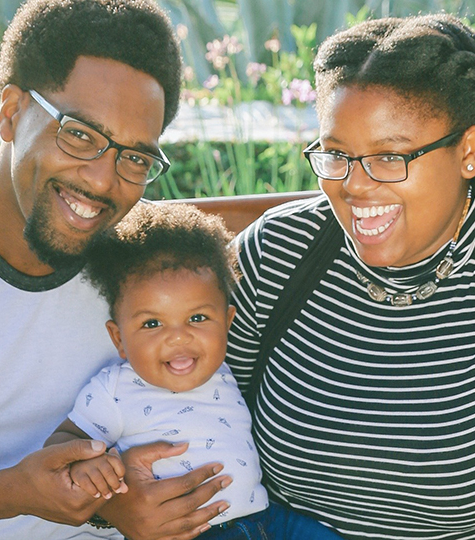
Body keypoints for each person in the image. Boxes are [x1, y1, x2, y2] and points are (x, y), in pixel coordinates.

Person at [218, 13, 475, 540]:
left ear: (469, 152)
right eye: (337, 154)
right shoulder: (279, 254)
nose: (354, 185)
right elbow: (191, 406)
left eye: (388, 156)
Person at [0, 1, 230, 539]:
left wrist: (109, 504)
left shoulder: (145, 267)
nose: (102, 180)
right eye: (79, 134)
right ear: (10, 113)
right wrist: (12, 492)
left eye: (135, 158)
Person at [45, 202, 342, 539]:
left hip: (268, 520)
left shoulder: (223, 370)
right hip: (191, 531)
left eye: (198, 318)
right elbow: (63, 443)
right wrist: (90, 466)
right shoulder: (115, 389)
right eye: (152, 323)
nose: (178, 336)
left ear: (227, 323)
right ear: (120, 339)